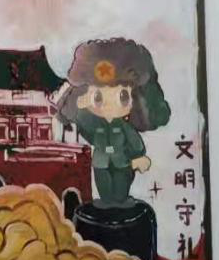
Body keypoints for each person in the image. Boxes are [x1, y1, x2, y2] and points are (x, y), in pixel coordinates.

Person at [56, 38, 171, 208]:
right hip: (100, 162)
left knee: (120, 188)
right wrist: (79, 107)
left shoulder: (124, 126)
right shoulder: (93, 123)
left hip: (122, 163)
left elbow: (135, 142)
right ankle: (106, 201)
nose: (109, 105)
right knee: (104, 187)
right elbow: (82, 126)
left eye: (123, 96)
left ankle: (121, 201)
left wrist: (138, 157)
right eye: (98, 97)